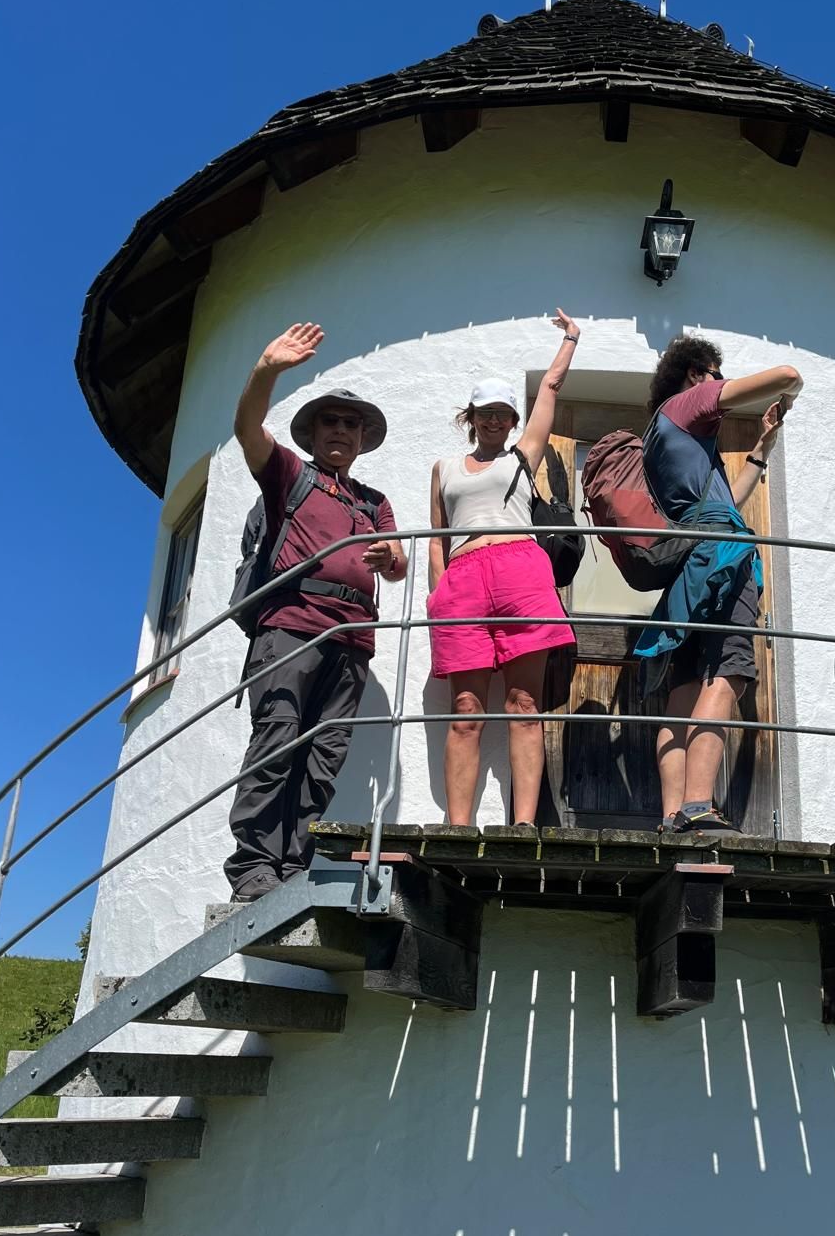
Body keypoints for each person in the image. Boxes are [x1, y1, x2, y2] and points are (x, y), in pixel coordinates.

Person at [225, 322, 407, 900]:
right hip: (292, 628)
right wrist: (267, 369)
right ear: (313, 432)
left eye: (351, 425)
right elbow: (247, 429)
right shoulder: (290, 475)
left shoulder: (374, 502)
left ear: (362, 438)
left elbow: (398, 564)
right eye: (332, 421)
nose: (342, 431)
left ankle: (295, 865)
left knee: (324, 756)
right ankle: (254, 866)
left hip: (354, 639)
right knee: (277, 741)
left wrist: (393, 556)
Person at [637, 334, 803, 833]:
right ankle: (697, 805)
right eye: (714, 374)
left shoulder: (661, 434)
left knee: (686, 687)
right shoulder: (691, 402)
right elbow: (788, 375)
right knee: (729, 671)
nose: (717, 384)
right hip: (724, 559)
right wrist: (788, 392)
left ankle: (672, 814)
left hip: (695, 560)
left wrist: (761, 446)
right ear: (696, 373)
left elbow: (724, 504)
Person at [428, 310, 581, 827]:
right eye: (484, 412)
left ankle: (522, 824)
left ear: (514, 420)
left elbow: (551, 391)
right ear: (470, 416)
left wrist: (571, 340)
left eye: (503, 412)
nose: (494, 420)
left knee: (523, 704)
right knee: (466, 709)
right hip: (462, 578)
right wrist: (436, 596)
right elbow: (436, 537)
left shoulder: (523, 456)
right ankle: (456, 825)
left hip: (520, 570)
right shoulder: (444, 468)